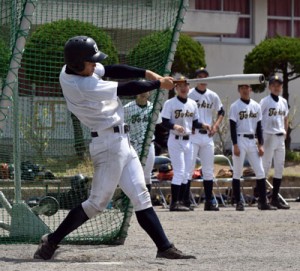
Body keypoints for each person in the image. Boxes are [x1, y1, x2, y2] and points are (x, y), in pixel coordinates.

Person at [33, 36, 196, 260]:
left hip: (122, 141)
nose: (94, 66)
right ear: (77, 64)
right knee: (96, 203)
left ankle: (164, 247)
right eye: (90, 62)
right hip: (108, 144)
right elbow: (126, 87)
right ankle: (51, 242)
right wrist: (159, 84)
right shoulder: (83, 84)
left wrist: (147, 73)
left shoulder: (75, 69)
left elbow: (111, 69)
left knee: (141, 196)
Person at [161, 76, 210, 211]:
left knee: (187, 172)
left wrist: (204, 126)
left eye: (185, 85)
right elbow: (164, 122)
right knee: (180, 171)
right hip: (175, 140)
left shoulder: (192, 104)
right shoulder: (170, 103)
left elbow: (194, 122)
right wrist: (174, 127)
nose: (183, 88)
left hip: (189, 140)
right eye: (180, 85)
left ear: (189, 87)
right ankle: (174, 203)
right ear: (176, 88)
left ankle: (183, 201)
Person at [229, 83, 277, 211]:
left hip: (252, 140)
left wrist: (260, 144)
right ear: (239, 90)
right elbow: (232, 127)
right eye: (242, 88)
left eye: (247, 87)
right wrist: (234, 145)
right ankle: (239, 202)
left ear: (250, 89)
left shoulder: (256, 106)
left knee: (260, 171)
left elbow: (259, 127)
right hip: (240, 139)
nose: (245, 90)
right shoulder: (235, 106)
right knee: (238, 172)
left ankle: (263, 202)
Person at [188, 68, 225, 211]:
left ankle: (209, 201)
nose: (203, 79)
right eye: (200, 76)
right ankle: (185, 200)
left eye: (205, 77)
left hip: (207, 135)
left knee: (208, 170)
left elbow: (221, 111)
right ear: (196, 78)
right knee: (189, 169)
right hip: (193, 134)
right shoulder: (191, 94)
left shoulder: (212, 95)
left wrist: (216, 126)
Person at [260, 74, 290, 209]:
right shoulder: (265, 101)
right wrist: (259, 139)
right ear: (269, 87)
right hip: (268, 135)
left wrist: (285, 132)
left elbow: (286, 118)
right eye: (274, 85)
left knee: (279, 167)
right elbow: (258, 120)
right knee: (265, 167)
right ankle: (262, 199)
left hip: (279, 136)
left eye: (279, 85)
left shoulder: (283, 101)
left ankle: (274, 198)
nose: (276, 87)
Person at [124, 91, 161, 192]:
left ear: (149, 93)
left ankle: (147, 202)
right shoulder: (127, 108)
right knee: (132, 174)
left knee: (146, 175)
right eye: (140, 90)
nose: (143, 93)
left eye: (146, 91)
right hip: (132, 144)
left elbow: (158, 126)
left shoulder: (153, 107)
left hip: (149, 144)